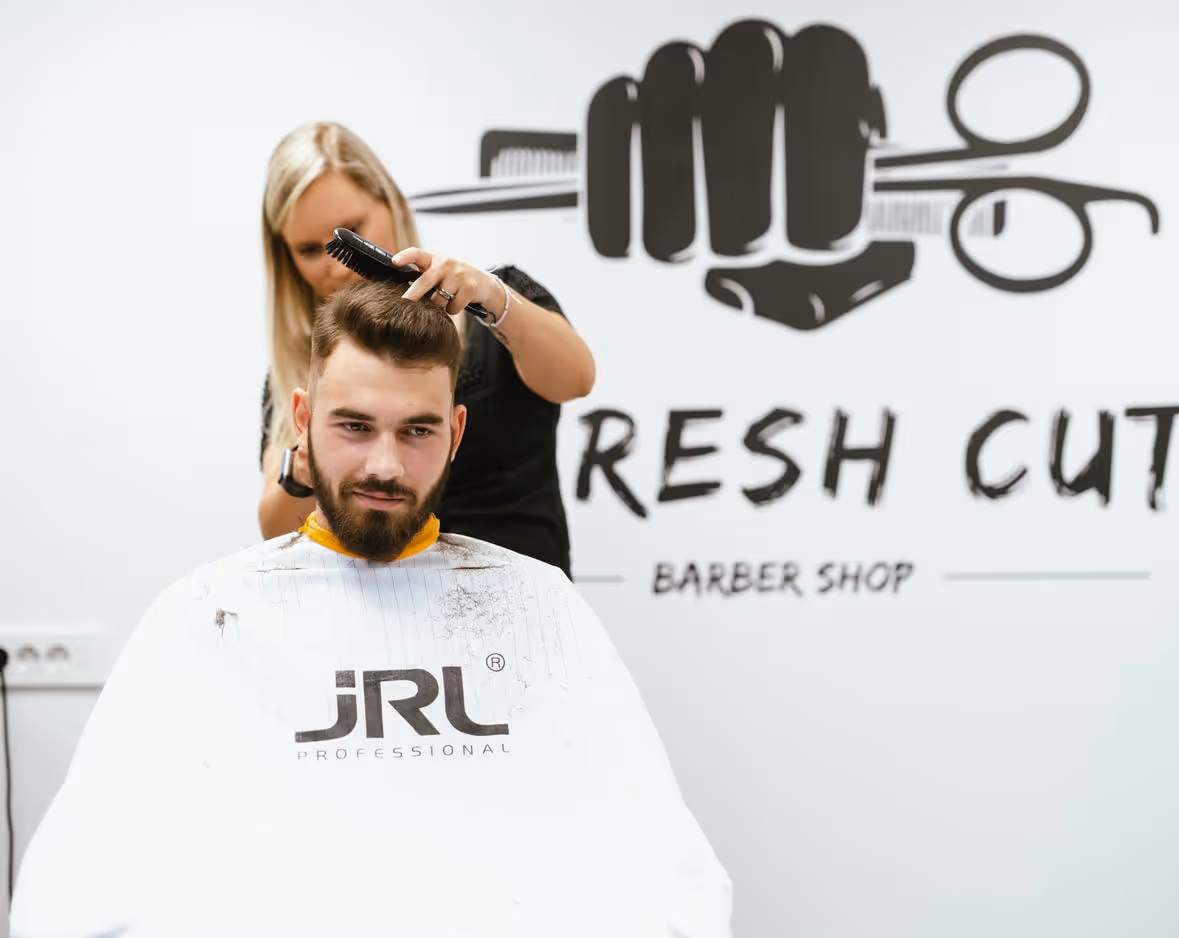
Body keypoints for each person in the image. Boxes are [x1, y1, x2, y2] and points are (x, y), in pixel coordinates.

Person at [10, 282, 730, 938]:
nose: (385, 465)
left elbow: (660, 872)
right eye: (354, 426)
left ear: (454, 433)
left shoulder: (537, 606)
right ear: (302, 419)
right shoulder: (207, 615)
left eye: (416, 431)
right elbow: (84, 886)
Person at [258, 121, 593, 579]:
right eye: (309, 250)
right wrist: (303, 465)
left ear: (393, 203)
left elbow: (576, 378)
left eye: (349, 232)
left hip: (517, 614)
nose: (333, 266)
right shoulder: (300, 363)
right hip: (371, 620)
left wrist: (492, 298)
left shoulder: (493, 310)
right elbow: (276, 533)